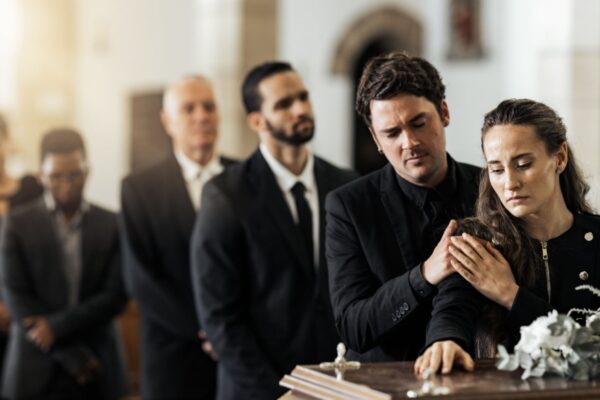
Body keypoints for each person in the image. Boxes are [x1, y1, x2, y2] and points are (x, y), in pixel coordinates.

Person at [191, 61, 357, 399]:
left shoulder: (345, 185)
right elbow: (220, 317)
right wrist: (276, 392)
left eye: (303, 97)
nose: (301, 109)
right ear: (256, 121)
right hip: (258, 388)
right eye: (284, 104)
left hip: (336, 382)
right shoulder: (226, 194)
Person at [415, 99, 600, 375]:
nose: (510, 183)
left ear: (559, 158)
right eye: (497, 170)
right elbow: (451, 308)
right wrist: (445, 340)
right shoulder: (477, 239)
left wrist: (511, 295)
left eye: (523, 164)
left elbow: (589, 349)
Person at [325, 52, 481, 362]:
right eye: (392, 133)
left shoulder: (490, 188)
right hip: (384, 386)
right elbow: (354, 328)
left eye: (418, 123)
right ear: (375, 139)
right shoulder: (348, 207)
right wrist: (424, 275)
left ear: (444, 113)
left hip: (479, 375)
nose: (409, 142)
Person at [120, 75, 235, 399]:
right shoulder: (139, 188)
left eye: (209, 106)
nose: (202, 115)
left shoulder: (247, 178)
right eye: (189, 108)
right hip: (172, 356)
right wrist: (207, 329)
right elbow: (140, 278)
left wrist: (229, 331)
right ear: (167, 121)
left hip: (239, 354)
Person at [0, 128, 128, 399]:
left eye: (75, 174)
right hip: (34, 367)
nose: (67, 184)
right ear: (41, 176)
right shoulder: (16, 225)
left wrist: (56, 328)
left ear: (87, 171)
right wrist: (72, 356)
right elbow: (15, 295)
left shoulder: (111, 224)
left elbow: (115, 296)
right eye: (55, 176)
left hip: (98, 362)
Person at [0, 113, 43, 387]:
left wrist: (14, 309)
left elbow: (44, 256)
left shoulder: (31, 189)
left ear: (7, 142)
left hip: (28, 319)